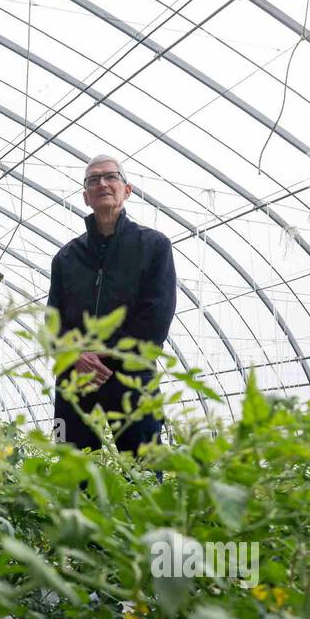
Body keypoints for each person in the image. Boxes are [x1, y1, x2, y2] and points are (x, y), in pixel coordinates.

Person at [47, 155, 176, 456]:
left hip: (132, 376)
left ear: (127, 190)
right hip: (75, 380)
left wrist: (101, 352)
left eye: (110, 177)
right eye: (93, 180)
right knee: (72, 467)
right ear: (85, 196)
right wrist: (77, 356)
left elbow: (156, 318)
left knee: (145, 466)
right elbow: (53, 324)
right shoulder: (66, 258)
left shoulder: (154, 246)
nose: (102, 183)